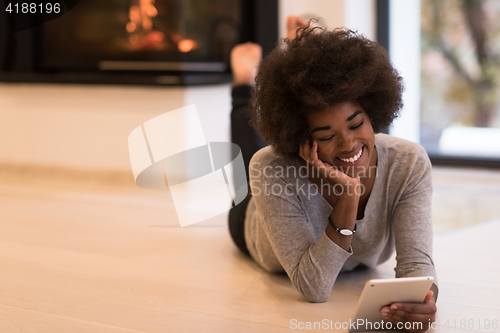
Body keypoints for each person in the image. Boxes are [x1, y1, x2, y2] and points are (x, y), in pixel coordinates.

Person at [228, 17, 438, 333]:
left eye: (356, 124)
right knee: (249, 160)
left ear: (372, 111)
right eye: (326, 136)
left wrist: (424, 298)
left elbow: (416, 267)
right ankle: (245, 82)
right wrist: (349, 196)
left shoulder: (408, 162)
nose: (349, 143)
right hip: (252, 222)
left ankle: (302, 52)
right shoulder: (272, 168)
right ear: (303, 138)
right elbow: (314, 288)